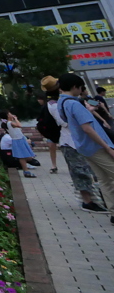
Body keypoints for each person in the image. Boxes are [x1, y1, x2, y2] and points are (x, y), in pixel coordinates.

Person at [42, 76, 106, 212]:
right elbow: (65, 122)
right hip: (70, 141)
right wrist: (84, 113)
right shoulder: (56, 104)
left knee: (90, 171)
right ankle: (88, 202)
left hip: (77, 140)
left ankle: (97, 200)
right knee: (80, 172)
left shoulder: (64, 101)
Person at [57, 73, 114, 223]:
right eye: (81, 87)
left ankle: (113, 211)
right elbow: (87, 128)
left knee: (104, 179)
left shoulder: (61, 103)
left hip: (83, 146)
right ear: (75, 87)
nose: (82, 90)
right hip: (96, 146)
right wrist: (107, 148)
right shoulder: (74, 103)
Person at [2, 111, 37, 177]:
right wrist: (16, 119)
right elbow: (20, 125)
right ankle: (26, 171)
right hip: (18, 141)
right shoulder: (10, 123)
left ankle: (26, 169)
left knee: (27, 156)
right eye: (10, 114)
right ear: (7, 115)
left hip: (20, 139)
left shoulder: (9, 123)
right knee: (22, 156)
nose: (11, 114)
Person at [35, 92, 60, 173]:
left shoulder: (50, 106)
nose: (38, 101)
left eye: (40, 99)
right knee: (52, 147)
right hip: (52, 130)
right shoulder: (47, 106)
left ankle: (54, 165)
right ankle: (54, 165)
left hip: (52, 130)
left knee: (52, 147)